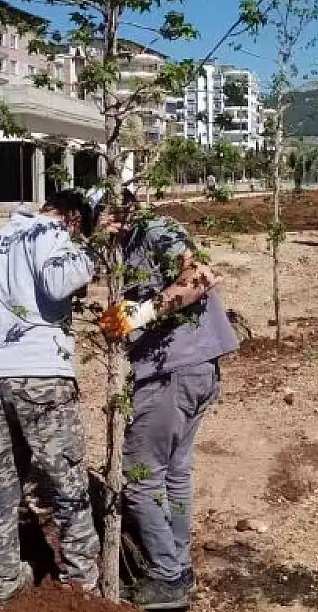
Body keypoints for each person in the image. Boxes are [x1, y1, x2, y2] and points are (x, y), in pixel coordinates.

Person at [98, 194, 239, 610]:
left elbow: (201, 277)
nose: (100, 228)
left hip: (173, 374)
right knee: (173, 472)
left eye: (102, 217)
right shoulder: (129, 245)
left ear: (120, 209)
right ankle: (177, 565)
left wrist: (137, 316)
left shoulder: (155, 230)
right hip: (193, 369)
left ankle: (167, 576)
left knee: (140, 478)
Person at [0, 190, 100, 605]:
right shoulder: (53, 229)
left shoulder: (2, 237)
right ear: (74, 219)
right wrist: (92, 252)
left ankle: (2, 581)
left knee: (2, 486)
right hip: (41, 372)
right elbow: (58, 281)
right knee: (68, 483)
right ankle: (82, 586)